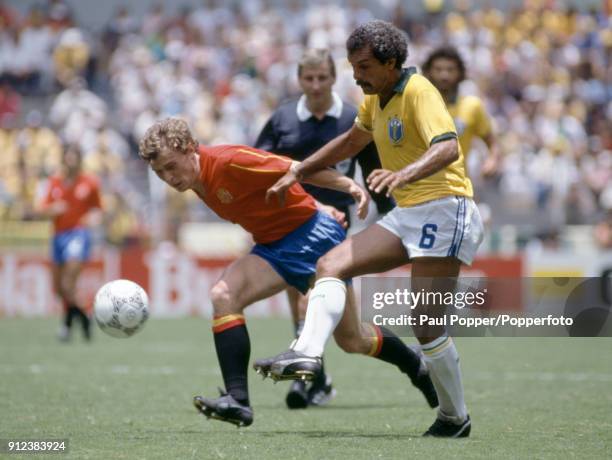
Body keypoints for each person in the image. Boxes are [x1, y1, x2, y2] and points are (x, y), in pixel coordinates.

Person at [255, 20, 484, 438]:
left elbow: (448, 146)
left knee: (427, 325)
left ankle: (455, 417)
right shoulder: (375, 101)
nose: (356, 76)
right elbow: (348, 144)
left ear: (392, 62)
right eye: (352, 67)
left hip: (446, 209)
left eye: (363, 67)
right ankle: (306, 352)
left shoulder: (419, 91)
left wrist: (402, 175)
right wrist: (300, 170)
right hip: (410, 213)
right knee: (331, 264)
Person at [138, 117, 438, 428]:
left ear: (189, 149)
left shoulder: (229, 161)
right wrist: (318, 206)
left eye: (171, 167)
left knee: (353, 340)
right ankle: (237, 400)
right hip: (273, 247)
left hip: (313, 239)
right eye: (160, 172)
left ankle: (414, 363)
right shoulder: (195, 181)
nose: (168, 177)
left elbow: (297, 169)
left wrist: (348, 186)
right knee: (223, 296)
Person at [255, 48, 394, 409]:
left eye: (322, 78)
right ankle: (316, 380)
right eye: (308, 78)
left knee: (315, 305)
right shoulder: (283, 118)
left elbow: (373, 170)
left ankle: (307, 381)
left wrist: (393, 217)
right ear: (299, 80)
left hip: (334, 224)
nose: (315, 85)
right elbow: (259, 165)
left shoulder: (352, 117)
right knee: (303, 304)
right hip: (286, 222)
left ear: (334, 78)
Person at [37, 145, 103, 342]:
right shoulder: (54, 182)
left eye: (74, 159)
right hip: (58, 235)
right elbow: (43, 208)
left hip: (78, 235)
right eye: (68, 159)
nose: (71, 162)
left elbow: (98, 209)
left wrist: (93, 218)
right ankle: (84, 316)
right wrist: (53, 209)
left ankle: (67, 326)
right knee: (59, 289)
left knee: (68, 283)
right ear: (63, 160)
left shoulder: (90, 182)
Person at [422, 46, 500, 178]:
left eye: (450, 70)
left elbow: (491, 142)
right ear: (428, 72)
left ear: (460, 73)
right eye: (438, 69)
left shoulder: (472, 106)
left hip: (458, 186)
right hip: (421, 186)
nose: (444, 75)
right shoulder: (418, 106)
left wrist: (492, 161)